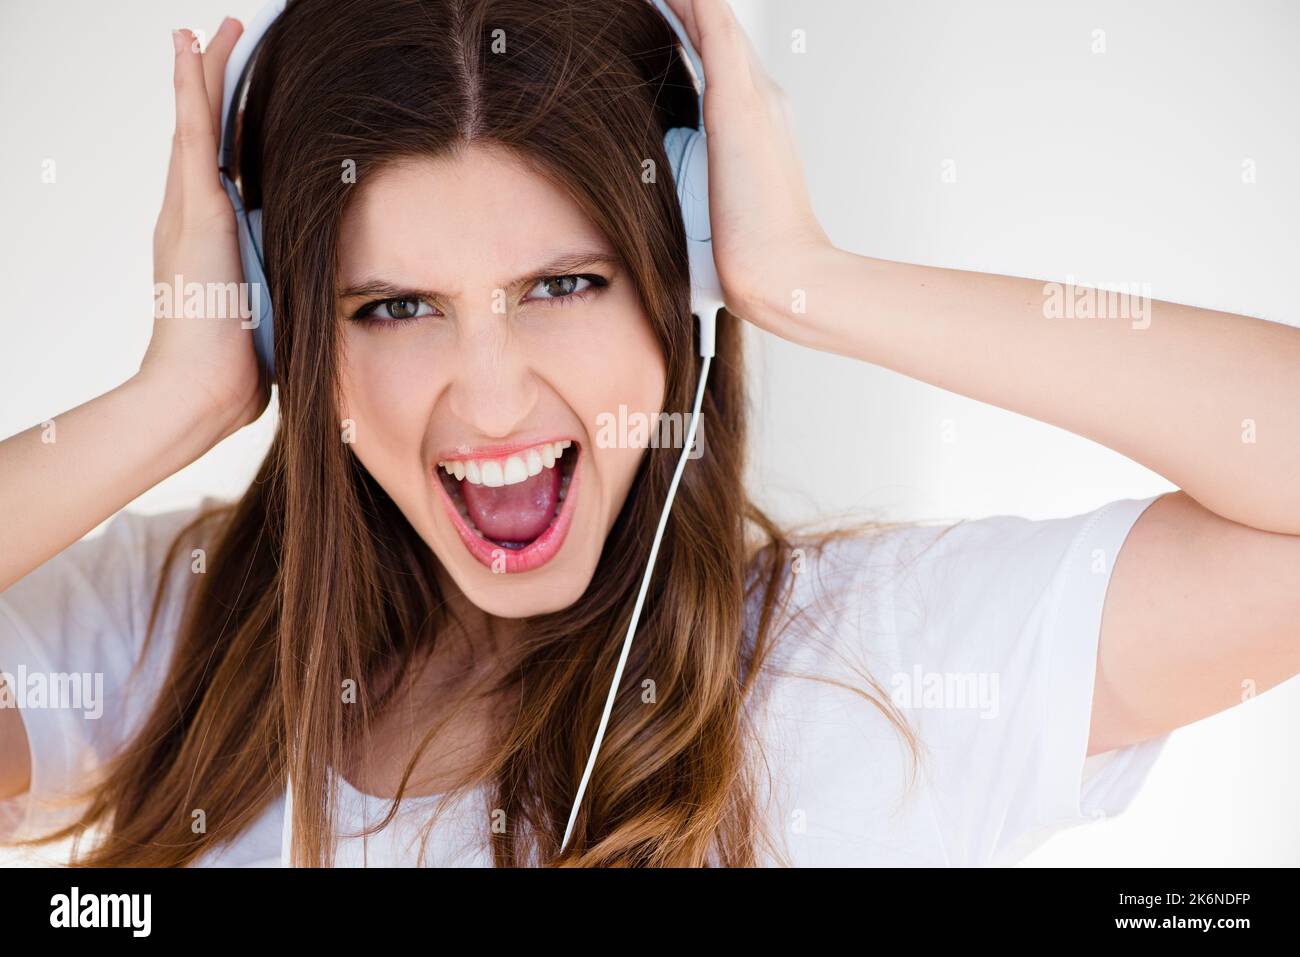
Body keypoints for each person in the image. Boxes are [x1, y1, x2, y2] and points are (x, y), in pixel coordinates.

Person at [1, 0, 1297, 868]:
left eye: (563, 284)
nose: (494, 399)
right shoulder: (159, 638)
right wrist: (169, 400)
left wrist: (808, 281)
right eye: (395, 308)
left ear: (683, 281)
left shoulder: (861, 669)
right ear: (294, 333)